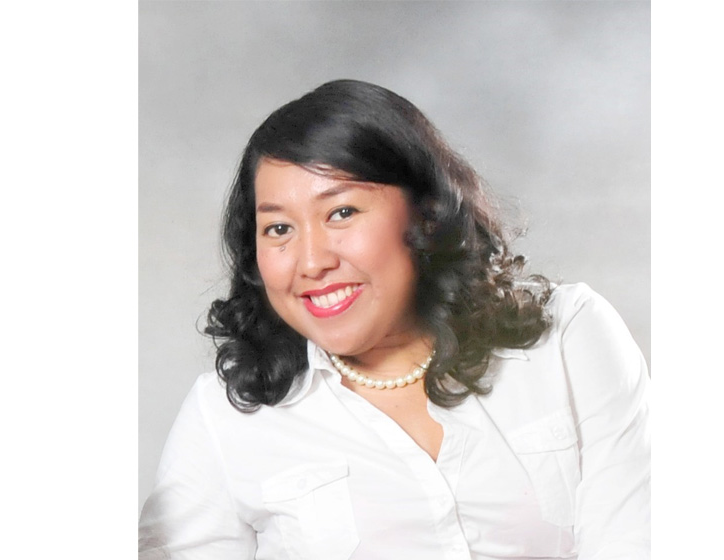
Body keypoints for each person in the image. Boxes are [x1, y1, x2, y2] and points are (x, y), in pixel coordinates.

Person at [139, 79, 650, 560]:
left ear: (426, 213)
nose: (311, 261)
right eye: (278, 228)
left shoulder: (570, 337)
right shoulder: (224, 417)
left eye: (342, 213)